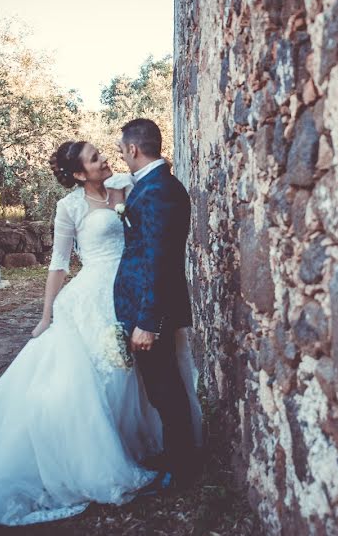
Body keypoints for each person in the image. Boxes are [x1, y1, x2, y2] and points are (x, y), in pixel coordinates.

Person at [0, 139, 198, 526]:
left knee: (144, 372)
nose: (104, 159)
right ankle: (101, 457)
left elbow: (154, 214)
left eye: (103, 153)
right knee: (98, 377)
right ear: (78, 174)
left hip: (133, 290)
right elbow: (58, 265)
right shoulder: (69, 207)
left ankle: (159, 447)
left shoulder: (127, 184)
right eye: (94, 159)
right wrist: (46, 316)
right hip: (91, 296)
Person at [113, 118, 200, 490]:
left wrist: (148, 321)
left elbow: (158, 261)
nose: (121, 156)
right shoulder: (150, 186)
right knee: (161, 389)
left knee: (166, 390)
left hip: (153, 313)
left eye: (121, 150)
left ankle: (182, 470)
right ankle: (176, 457)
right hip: (147, 309)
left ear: (133, 149)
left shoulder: (159, 190)